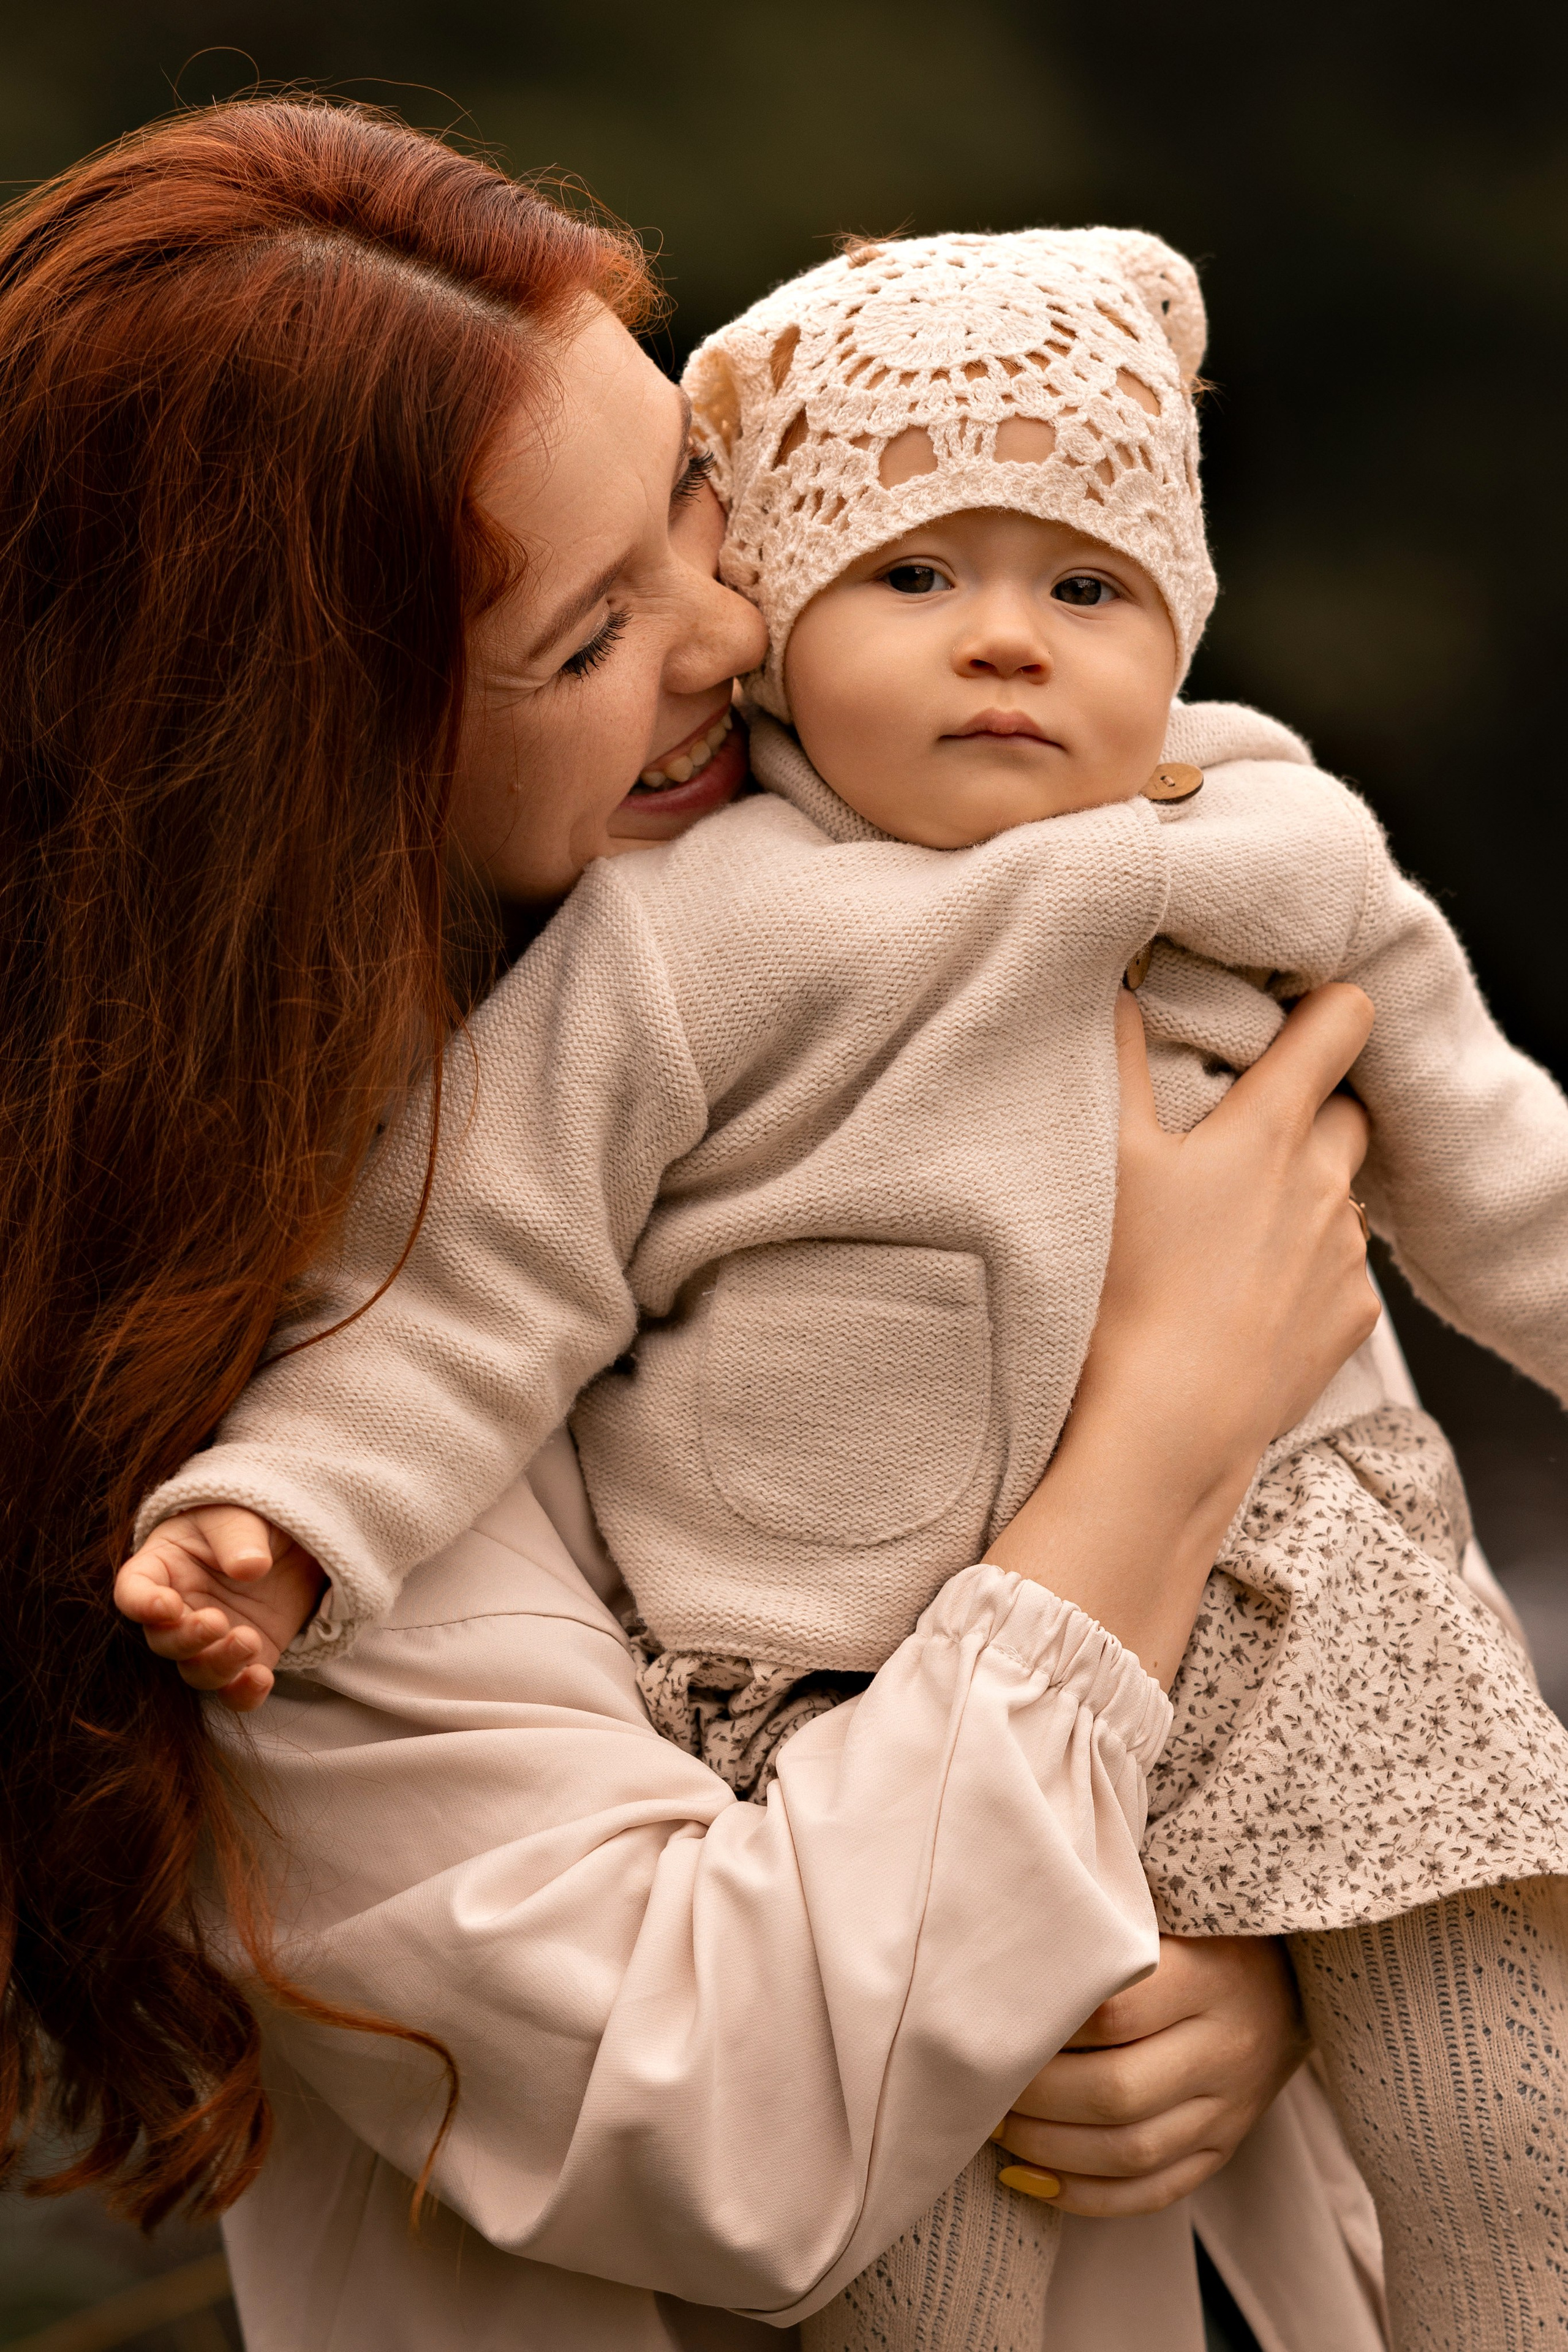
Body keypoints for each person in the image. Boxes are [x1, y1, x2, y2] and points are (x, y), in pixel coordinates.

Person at [4, 97, 1372, 2351]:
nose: (739, 628)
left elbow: (1338, 1610)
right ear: (288, 772)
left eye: (693, 507)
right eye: (583, 633)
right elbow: (715, 2100)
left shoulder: (897, 971)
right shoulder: (267, 1450)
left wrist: (1265, 1957)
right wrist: (1158, 1438)